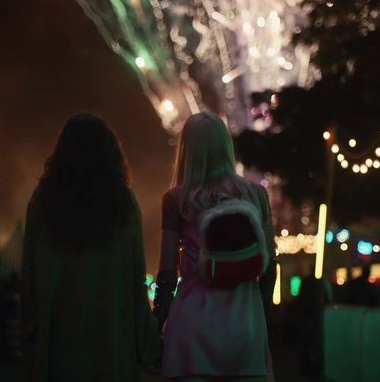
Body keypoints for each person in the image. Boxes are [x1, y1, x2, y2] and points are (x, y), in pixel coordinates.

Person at [21, 113, 160, 381]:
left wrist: (29, 336)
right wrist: (149, 347)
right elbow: (135, 280)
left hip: (59, 341)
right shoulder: (123, 204)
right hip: (111, 341)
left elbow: (30, 275)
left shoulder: (43, 201)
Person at [153, 112, 276, 382]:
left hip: (191, 329)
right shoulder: (257, 195)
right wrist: (262, 320)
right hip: (245, 325)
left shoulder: (177, 200)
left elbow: (166, 274)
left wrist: (155, 327)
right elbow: (270, 267)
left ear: (187, 150)